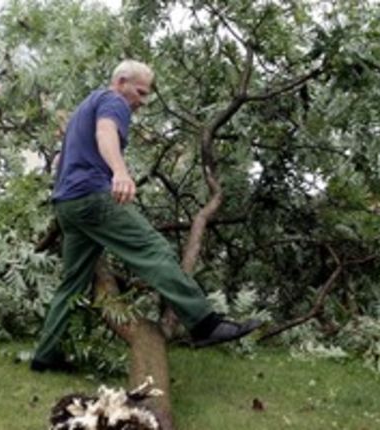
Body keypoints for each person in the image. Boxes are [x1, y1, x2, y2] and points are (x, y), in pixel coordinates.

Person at [31, 60, 262, 372]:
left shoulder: (85, 107)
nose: (142, 100)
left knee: (72, 283)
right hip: (93, 199)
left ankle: (45, 355)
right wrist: (120, 172)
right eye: (140, 92)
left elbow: (64, 158)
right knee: (154, 252)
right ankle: (205, 324)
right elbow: (105, 131)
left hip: (67, 206)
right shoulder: (114, 101)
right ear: (121, 81)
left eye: (146, 95)